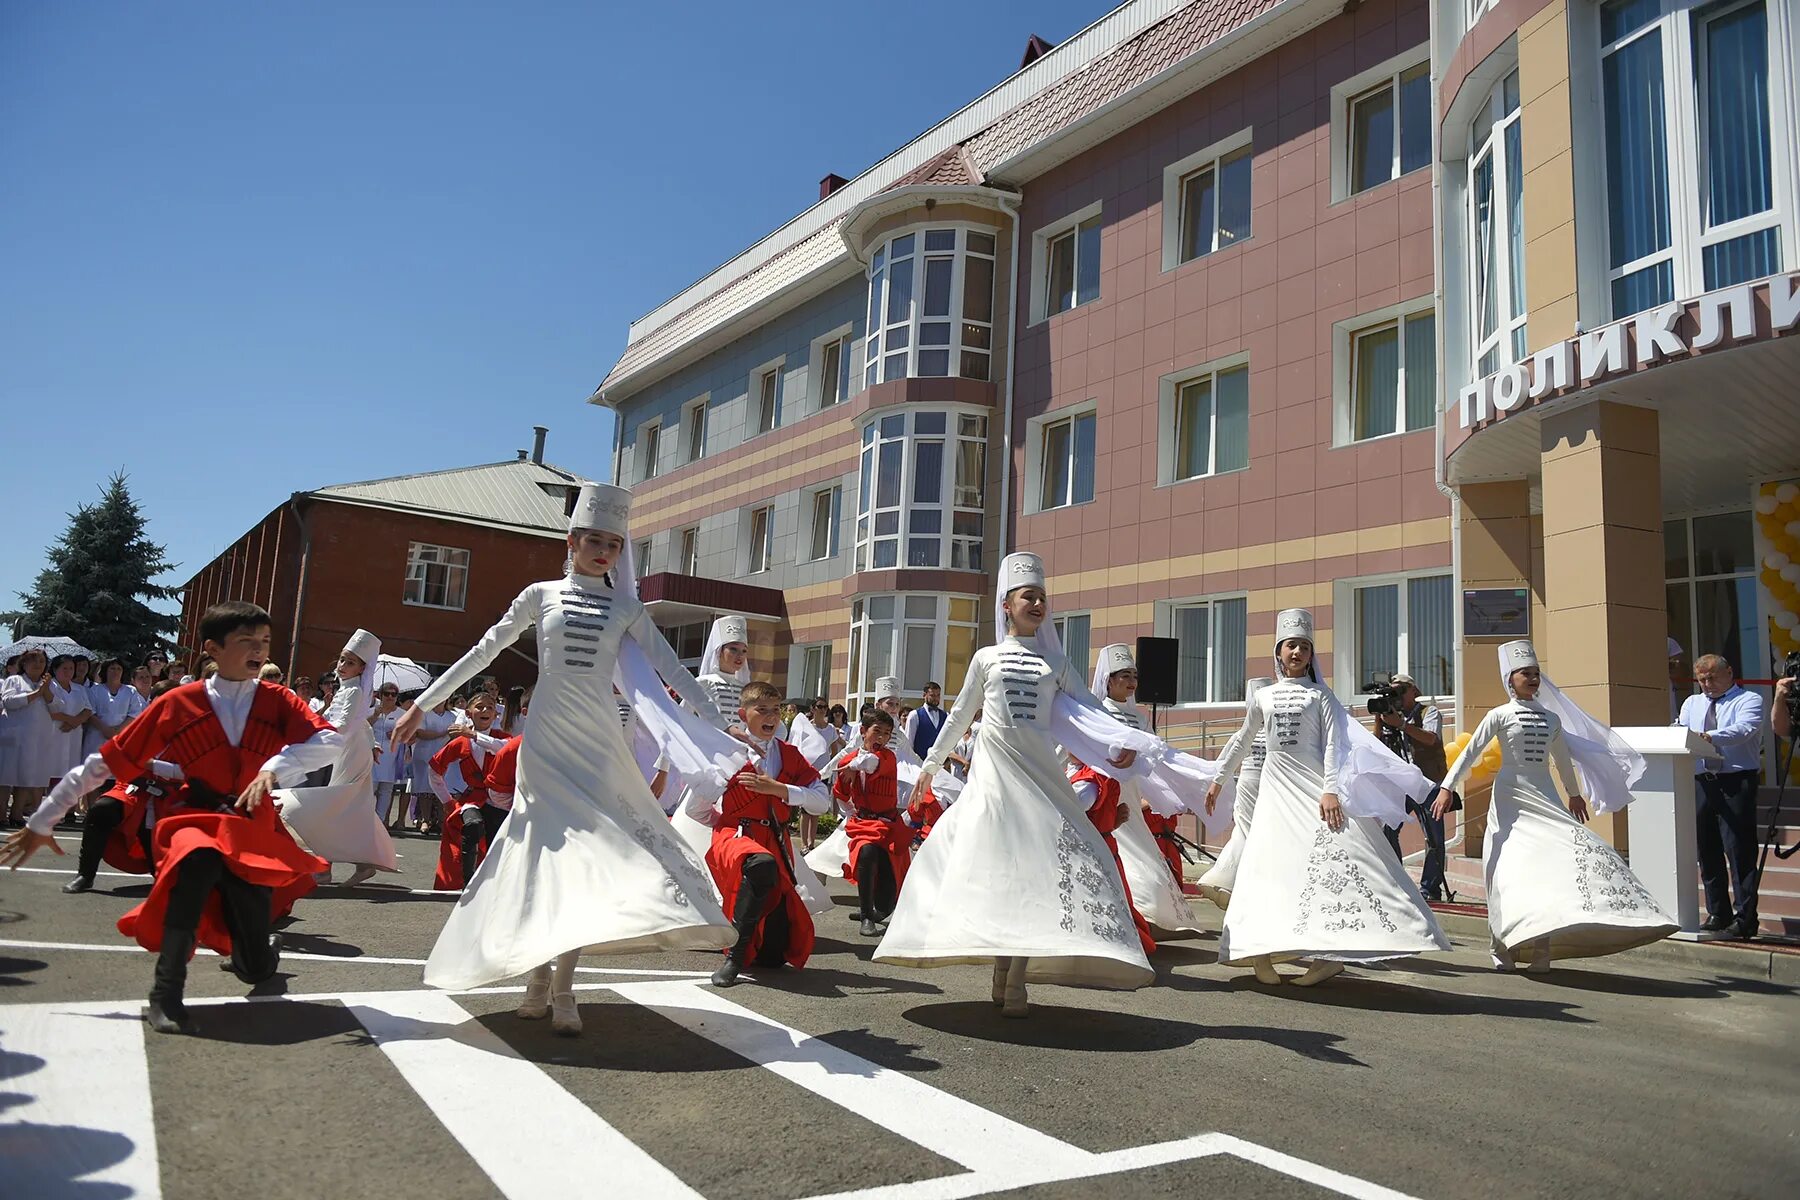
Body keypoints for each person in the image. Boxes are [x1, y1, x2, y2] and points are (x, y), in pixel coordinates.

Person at [393, 482, 744, 1036]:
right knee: (545, 854)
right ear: (573, 541)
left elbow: (672, 669)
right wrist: (425, 702)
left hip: (598, 738)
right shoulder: (540, 595)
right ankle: (540, 980)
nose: (604, 551)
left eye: (614, 543)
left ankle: (559, 985)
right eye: (594, 541)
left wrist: (724, 726)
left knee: (583, 858)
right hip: (547, 737)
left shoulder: (625, 606)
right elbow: (486, 648)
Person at [1, 601, 344, 1034]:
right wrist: (41, 821)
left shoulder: (278, 700)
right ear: (213, 649)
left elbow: (330, 741)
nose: (259, 650)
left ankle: (255, 954)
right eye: (246, 642)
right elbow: (103, 763)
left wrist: (275, 767)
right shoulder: (180, 702)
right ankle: (166, 994)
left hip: (248, 828)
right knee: (193, 866)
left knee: (254, 962)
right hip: (193, 818)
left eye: (265, 642)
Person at [875, 552, 1162, 1017]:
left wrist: (1119, 746)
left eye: (1043, 598)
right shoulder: (986, 658)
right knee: (995, 866)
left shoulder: (1056, 661)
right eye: (1029, 596)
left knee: (1035, 872)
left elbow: (1091, 711)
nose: (1038, 604)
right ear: (1006, 605)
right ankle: (1004, 967)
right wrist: (929, 765)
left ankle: (1015, 973)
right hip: (993, 774)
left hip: (1039, 775)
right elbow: (962, 714)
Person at [1204, 609, 1449, 987]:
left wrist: (1330, 789)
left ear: (1310, 655)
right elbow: (1243, 739)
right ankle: (1258, 952)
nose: (1297, 652)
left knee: (1335, 856)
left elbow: (1335, 745)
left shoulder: (1321, 695)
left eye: (1304, 646)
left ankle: (1326, 955)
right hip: (1274, 787)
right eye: (1290, 646)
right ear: (1279, 652)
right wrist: (1218, 779)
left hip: (1313, 784)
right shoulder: (1264, 697)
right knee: (1266, 864)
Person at [1435, 640, 1674, 969]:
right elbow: (1470, 753)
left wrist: (1574, 794)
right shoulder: (1499, 715)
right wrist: (1448, 787)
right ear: (1510, 679)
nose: (1532, 679)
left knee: (1549, 866)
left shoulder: (1551, 718)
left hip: (1544, 794)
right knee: (1501, 868)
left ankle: (1541, 949)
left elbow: (1562, 761)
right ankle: (1501, 945)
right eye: (1525, 673)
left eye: (1536, 673)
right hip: (1509, 798)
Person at [686, 680, 831, 987]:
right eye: (761, 709)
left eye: (776, 710)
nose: (771, 716)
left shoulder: (790, 755)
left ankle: (751, 947)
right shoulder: (725, 754)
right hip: (737, 838)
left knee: (773, 956)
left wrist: (778, 789)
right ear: (743, 713)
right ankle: (734, 958)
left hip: (775, 842)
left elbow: (821, 800)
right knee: (759, 864)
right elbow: (695, 809)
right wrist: (730, 823)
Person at [1088, 643, 1208, 940]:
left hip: (1128, 794)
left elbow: (1156, 756)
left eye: (1134, 676)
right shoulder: (1097, 712)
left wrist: (1185, 785)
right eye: (1124, 675)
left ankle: (1140, 917)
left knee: (1143, 858)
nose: (1131, 682)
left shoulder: (1140, 718)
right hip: (1103, 794)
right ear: (1109, 679)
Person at [273, 629, 397, 889]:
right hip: (349, 747)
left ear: (363, 668)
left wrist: (311, 730)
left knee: (337, 803)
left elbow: (342, 725)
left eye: (350, 662)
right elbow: (356, 722)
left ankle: (325, 866)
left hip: (349, 749)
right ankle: (357, 863)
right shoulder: (347, 689)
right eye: (341, 660)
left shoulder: (353, 691)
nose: (342, 666)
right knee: (346, 805)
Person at [1675, 654, 1767, 940]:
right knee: (1707, 849)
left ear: (1729, 672)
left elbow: (1743, 730)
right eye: (1702, 680)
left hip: (1735, 781)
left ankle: (1745, 918)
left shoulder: (1749, 699)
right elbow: (1680, 730)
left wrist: (1709, 737)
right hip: (1702, 781)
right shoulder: (1693, 703)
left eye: (1712, 678)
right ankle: (1718, 912)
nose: (1707, 685)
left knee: (1738, 850)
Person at [1374, 673, 1449, 902]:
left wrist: (1403, 725)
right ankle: (1398, 882)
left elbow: (1431, 739)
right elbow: (1376, 743)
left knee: (1434, 837)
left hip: (1427, 783)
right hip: (1399, 784)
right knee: (1388, 831)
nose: (1396, 694)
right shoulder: (1390, 716)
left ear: (1414, 692)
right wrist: (1380, 717)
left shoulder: (1429, 712)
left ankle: (1430, 889)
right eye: (1393, 690)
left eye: (1401, 689)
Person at [1199, 677, 1273, 908]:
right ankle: (1229, 880)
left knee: (1256, 832)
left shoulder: (1271, 731)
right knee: (1247, 830)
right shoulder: (1246, 733)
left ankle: (1235, 880)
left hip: (1270, 784)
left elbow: (1223, 762)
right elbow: (1224, 763)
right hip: (1251, 785)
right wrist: (1215, 784)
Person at [834, 708, 907, 936]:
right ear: (863, 731)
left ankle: (877, 910)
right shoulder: (848, 761)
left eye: (887, 733)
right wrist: (850, 812)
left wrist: (854, 766)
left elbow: (871, 764)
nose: (882, 738)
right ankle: (866, 915)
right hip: (864, 824)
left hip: (888, 825)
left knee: (888, 885)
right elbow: (840, 792)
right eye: (877, 731)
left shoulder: (887, 757)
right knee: (866, 854)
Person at [428, 692, 506, 890]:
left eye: (490, 706)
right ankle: (468, 882)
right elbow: (435, 769)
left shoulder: (502, 738)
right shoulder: (460, 743)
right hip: (473, 798)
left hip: (502, 801)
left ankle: (493, 885)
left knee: (497, 842)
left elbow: (503, 749)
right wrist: (446, 800)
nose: (485, 710)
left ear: (496, 714)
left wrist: (472, 734)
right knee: (473, 825)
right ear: (469, 714)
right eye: (479, 707)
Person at [2, 650, 56, 826]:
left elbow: (58, 707)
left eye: (41, 661)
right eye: (33, 661)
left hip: (38, 739)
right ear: (24, 664)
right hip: (15, 737)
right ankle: (1, 814)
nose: (38, 664)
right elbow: (9, 701)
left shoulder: (48, 684)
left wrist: (45, 691)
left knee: (27, 777)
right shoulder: (14, 680)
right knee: (6, 778)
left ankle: (17, 814)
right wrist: (36, 693)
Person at [695, 615, 751, 715]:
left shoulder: (745, 689)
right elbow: (683, 714)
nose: (740, 655)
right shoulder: (704, 682)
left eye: (744, 651)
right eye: (733, 649)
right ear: (719, 651)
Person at [370, 683, 405, 827]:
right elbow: (362, 728)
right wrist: (375, 715)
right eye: (386, 694)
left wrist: (398, 735)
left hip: (392, 756)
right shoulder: (372, 711)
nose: (390, 697)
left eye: (394, 694)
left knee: (386, 790)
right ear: (380, 695)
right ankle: (366, 821)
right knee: (370, 789)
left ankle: (379, 822)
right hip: (372, 754)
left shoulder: (402, 714)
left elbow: (411, 735)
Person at [903, 682, 950, 762]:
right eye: (932, 695)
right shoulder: (915, 715)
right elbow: (909, 744)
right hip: (920, 763)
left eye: (938, 695)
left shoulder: (946, 716)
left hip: (940, 764)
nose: (936, 698)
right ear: (924, 695)